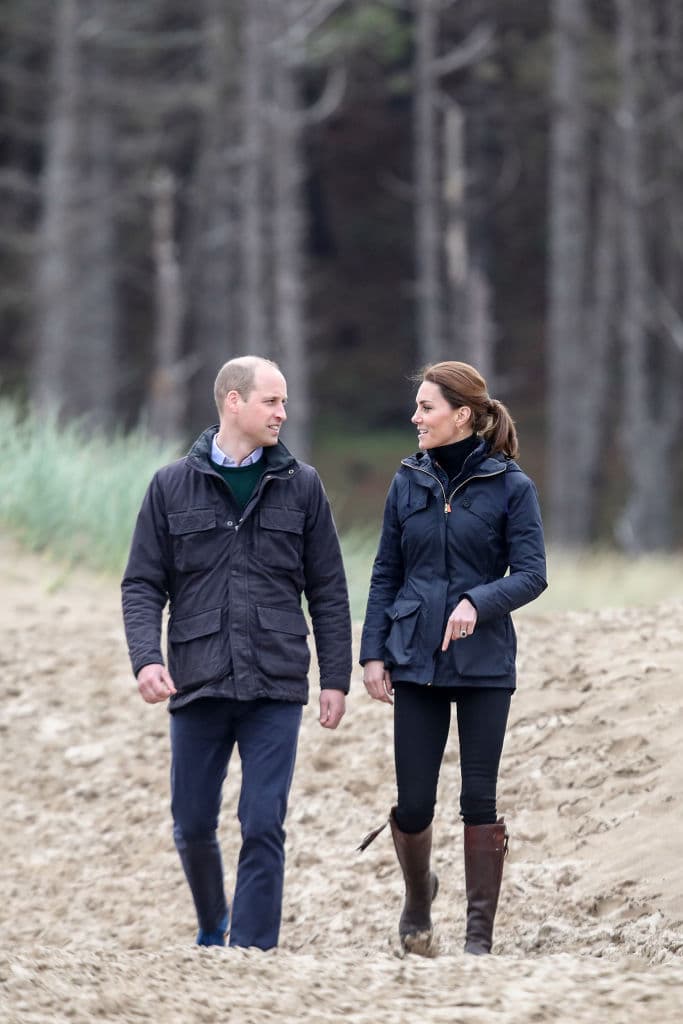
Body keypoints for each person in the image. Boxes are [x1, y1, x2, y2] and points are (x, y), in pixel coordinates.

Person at [121, 355, 352, 950]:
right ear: (233, 402)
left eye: (283, 402)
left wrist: (335, 678)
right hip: (196, 680)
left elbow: (328, 588)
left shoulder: (302, 485)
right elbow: (143, 583)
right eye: (271, 401)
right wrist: (147, 658)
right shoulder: (170, 486)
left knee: (263, 823)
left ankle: (252, 952)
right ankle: (212, 922)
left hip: (275, 681)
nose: (283, 412)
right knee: (193, 823)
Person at [359, 360, 546, 956]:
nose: (415, 417)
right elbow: (386, 570)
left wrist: (478, 602)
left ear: (461, 415)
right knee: (414, 803)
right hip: (414, 658)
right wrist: (372, 656)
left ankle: (477, 941)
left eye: (426, 408)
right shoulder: (406, 481)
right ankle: (418, 900)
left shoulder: (511, 486)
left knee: (478, 800)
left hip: (486, 662)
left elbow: (534, 574)